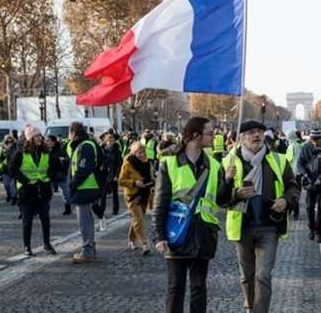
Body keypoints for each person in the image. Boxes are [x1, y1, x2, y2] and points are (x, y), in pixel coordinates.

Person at [218, 120, 299, 313]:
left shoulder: (279, 160)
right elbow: (220, 199)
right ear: (242, 137)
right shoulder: (228, 162)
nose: (257, 136)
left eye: (260, 132)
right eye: (252, 133)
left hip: (269, 225)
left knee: (263, 275)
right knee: (246, 275)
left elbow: (293, 186)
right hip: (242, 226)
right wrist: (233, 190)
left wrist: (286, 201)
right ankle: (249, 308)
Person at [152, 117, 224, 313]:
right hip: (177, 232)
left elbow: (221, 199)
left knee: (199, 287)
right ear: (195, 136)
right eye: (209, 133)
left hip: (204, 232)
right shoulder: (169, 163)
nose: (214, 136)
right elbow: (161, 201)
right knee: (176, 287)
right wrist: (159, 236)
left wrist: (229, 181)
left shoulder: (214, 165)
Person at [9, 125, 58, 256]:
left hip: (43, 190)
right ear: (29, 138)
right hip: (27, 192)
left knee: (45, 219)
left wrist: (50, 175)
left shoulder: (46, 152)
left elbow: (55, 166)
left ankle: (47, 244)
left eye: (40, 136)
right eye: (36, 136)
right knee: (27, 220)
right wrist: (25, 181)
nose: (39, 138)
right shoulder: (20, 153)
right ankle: (27, 246)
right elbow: (12, 169)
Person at [68, 122, 102, 263]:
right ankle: (89, 247)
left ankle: (87, 250)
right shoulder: (84, 144)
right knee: (86, 219)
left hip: (85, 186)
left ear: (73, 133)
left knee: (84, 221)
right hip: (86, 186)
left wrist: (73, 184)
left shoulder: (86, 145)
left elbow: (84, 168)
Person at [297, 129, 321, 243]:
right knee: (309, 208)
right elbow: (300, 163)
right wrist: (305, 174)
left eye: (316, 140)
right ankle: (311, 228)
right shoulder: (306, 148)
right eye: (312, 140)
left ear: (320, 138)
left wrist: (320, 178)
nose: (314, 142)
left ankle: (319, 232)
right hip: (310, 183)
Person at [118, 141, 153, 255]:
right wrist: (134, 182)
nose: (142, 154)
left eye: (143, 152)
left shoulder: (147, 162)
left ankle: (131, 239)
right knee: (139, 219)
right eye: (139, 152)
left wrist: (153, 182)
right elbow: (121, 181)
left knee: (138, 218)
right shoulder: (128, 163)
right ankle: (144, 244)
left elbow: (150, 177)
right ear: (134, 153)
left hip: (144, 194)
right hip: (132, 195)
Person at [46, 135, 72, 215]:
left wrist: (61, 163)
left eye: (48, 140)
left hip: (60, 174)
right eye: (46, 140)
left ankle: (68, 208)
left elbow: (66, 160)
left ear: (53, 142)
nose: (46, 142)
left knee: (65, 192)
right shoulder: (46, 150)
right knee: (48, 193)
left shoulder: (60, 150)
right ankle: (46, 210)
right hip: (50, 174)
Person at [101, 132, 123, 217]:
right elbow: (100, 161)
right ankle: (102, 211)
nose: (110, 142)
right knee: (103, 194)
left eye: (112, 140)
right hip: (104, 175)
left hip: (113, 174)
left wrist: (117, 175)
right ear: (105, 141)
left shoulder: (117, 151)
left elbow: (119, 164)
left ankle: (115, 209)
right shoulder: (102, 150)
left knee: (114, 193)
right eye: (108, 141)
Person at [285, 130, 304, 220]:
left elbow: (290, 160)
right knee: (295, 193)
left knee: (292, 193)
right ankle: (294, 212)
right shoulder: (297, 145)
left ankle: (293, 211)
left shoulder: (292, 146)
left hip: (293, 173)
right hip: (296, 173)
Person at [0, 135, 18, 205]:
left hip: (13, 168)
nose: (9, 142)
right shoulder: (2, 148)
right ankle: (9, 194)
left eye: (11, 141)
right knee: (6, 185)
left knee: (12, 185)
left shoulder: (16, 148)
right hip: (5, 169)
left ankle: (14, 197)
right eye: (7, 141)